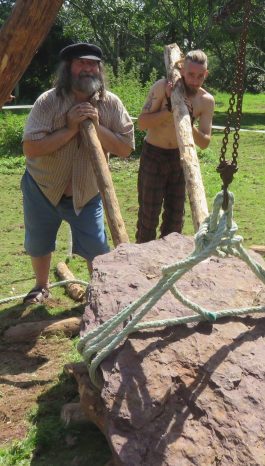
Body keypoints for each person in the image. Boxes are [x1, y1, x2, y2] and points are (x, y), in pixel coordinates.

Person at [20, 43, 134, 304]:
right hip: (43, 187)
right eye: (81, 63)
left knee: (96, 248)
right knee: (38, 243)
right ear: (68, 69)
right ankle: (41, 286)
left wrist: (95, 125)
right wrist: (70, 128)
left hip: (88, 192)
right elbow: (30, 148)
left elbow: (126, 148)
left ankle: (98, 293)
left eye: (93, 64)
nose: (88, 69)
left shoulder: (111, 103)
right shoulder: (48, 102)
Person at [135, 49, 215, 242]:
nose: (194, 81)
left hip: (181, 158)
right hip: (154, 155)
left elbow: (204, 142)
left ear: (206, 75)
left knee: (175, 219)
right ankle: (142, 262)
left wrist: (189, 120)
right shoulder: (162, 87)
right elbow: (141, 123)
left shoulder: (206, 101)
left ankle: (170, 265)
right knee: (148, 217)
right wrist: (169, 109)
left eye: (200, 76)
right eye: (190, 75)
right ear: (182, 69)